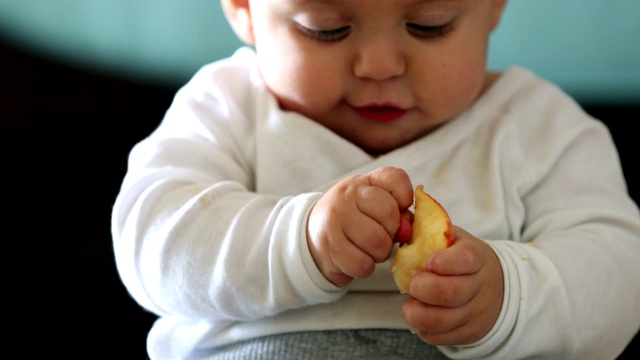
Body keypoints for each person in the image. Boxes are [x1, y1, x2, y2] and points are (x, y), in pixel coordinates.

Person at [111, 0, 640, 359]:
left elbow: (621, 273)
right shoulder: (227, 108)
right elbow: (150, 238)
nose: (380, 65)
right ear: (244, 8)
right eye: (326, 28)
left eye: (429, 24)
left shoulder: (537, 124)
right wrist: (297, 239)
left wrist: (510, 295)